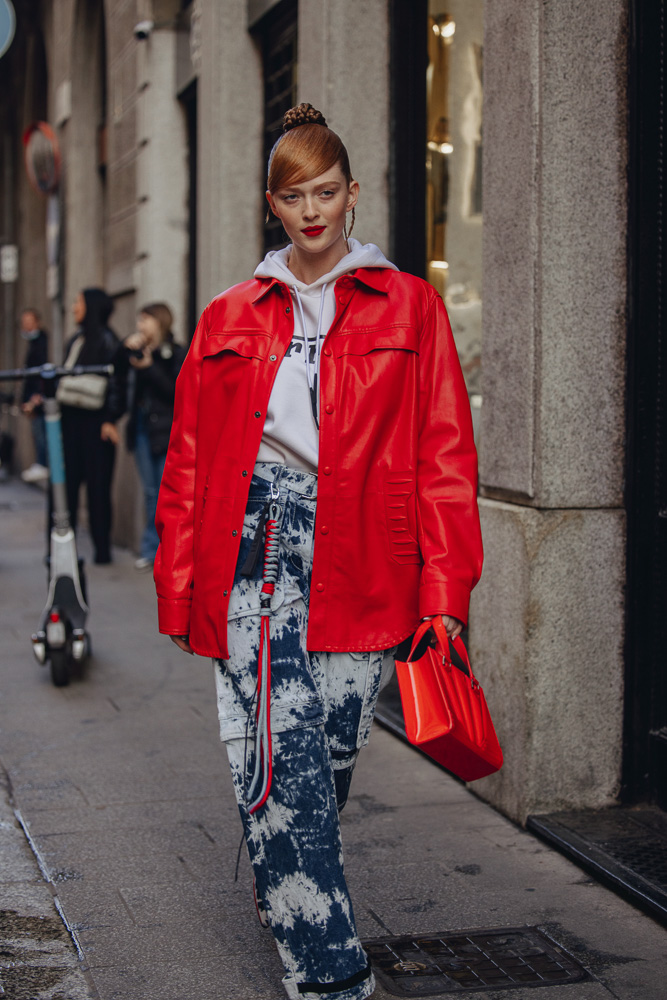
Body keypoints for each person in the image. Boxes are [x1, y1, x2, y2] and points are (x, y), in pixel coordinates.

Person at [154, 103, 483, 1000]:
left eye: (326, 192)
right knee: (282, 752)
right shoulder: (229, 315)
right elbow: (186, 461)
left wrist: (444, 593)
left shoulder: (409, 304)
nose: (311, 211)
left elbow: (444, 457)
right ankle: (333, 979)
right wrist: (178, 586)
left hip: (367, 551)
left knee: (327, 753)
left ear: (353, 196)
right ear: (272, 204)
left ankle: (281, 855)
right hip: (253, 542)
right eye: (293, 196)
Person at [58, 288, 126, 564]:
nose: (74, 307)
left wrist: (110, 418)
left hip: (97, 425)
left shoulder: (109, 341)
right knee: (66, 489)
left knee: (98, 490)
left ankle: (102, 550)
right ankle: (64, 547)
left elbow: (119, 385)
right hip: (71, 424)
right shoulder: (76, 339)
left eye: (78, 301)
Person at [123, 303, 186, 570]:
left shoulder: (176, 353)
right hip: (141, 429)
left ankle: (167, 550)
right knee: (150, 492)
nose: (140, 326)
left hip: (166, 431)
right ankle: (151, 549)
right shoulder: (137, 352)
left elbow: (176, 392)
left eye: (145, 320)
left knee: (164, 493)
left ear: (159, 322)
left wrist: (149, 367)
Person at [19, 308, 49, 483]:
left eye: (29, 321)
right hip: (33, 396)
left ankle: (42, 465)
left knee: (41, 434)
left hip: (38, 398)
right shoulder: (34, 343)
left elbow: (40, 373)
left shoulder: (41, 342)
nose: (26, 325)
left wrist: (35, 398)